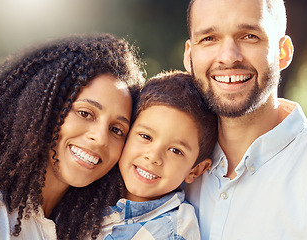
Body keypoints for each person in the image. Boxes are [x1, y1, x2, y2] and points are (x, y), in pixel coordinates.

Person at [0, 33, 144, 240]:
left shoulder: (88, 226)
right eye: (85, 113)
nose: (100, 138)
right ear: (43, 109)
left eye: (117, 130)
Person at [183, 0, 307, 239]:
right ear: (189, 56)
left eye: (249, 36)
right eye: (209, 38)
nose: (228, 57)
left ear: (283, 52)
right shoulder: (171, 165)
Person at [92, 71, 218, 239]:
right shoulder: (91, 188)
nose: (153, 157)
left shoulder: (172, 231)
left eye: (175, 151)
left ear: (195, 170)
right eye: (146, 137)